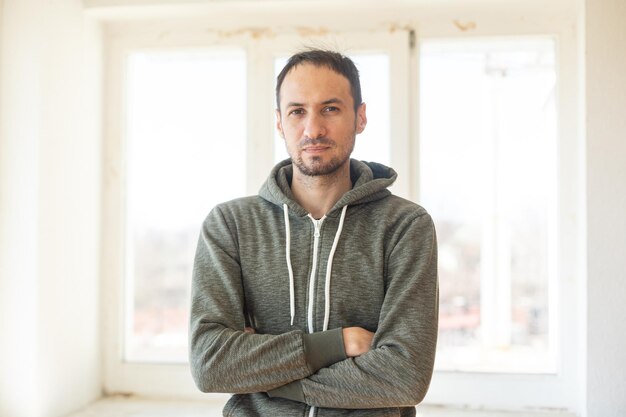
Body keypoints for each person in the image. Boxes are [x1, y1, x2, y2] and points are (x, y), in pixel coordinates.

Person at [189, 49, 438, 417]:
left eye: (331, 109)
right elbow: (210, 364)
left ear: (361, 117)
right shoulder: (231, 225)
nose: (313, 129)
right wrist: (338, 344)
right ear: (279, 122)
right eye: (297, 111)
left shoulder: (404, 226)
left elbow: (405, 376)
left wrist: (263, 375)